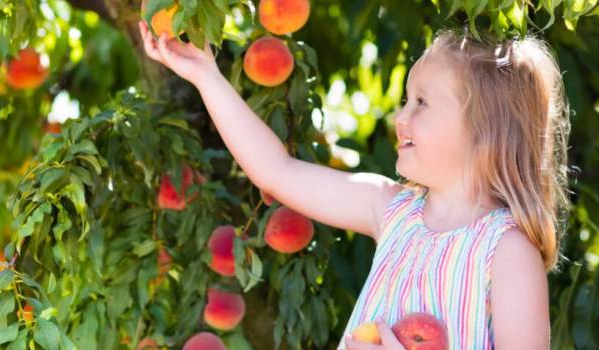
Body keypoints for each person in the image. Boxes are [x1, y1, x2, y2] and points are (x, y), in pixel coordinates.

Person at [138, 22, 570, 349]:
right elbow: (276, 171)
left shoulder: (507, 252)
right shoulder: (391, 210)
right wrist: (206, 76)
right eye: (405, 100)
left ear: (484, 129)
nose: (400, 118)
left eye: (421, 102)